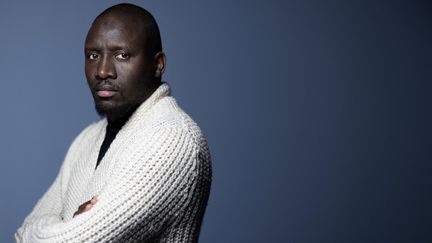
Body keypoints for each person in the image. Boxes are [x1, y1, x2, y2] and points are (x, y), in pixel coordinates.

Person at [15, 3, 212, 242]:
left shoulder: (173, 138)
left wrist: (65, 228)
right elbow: (23, 232)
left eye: (122, 55)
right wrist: (68, 227)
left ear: (157, 64)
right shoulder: (86, 139)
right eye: (93, 55)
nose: (102, 71)